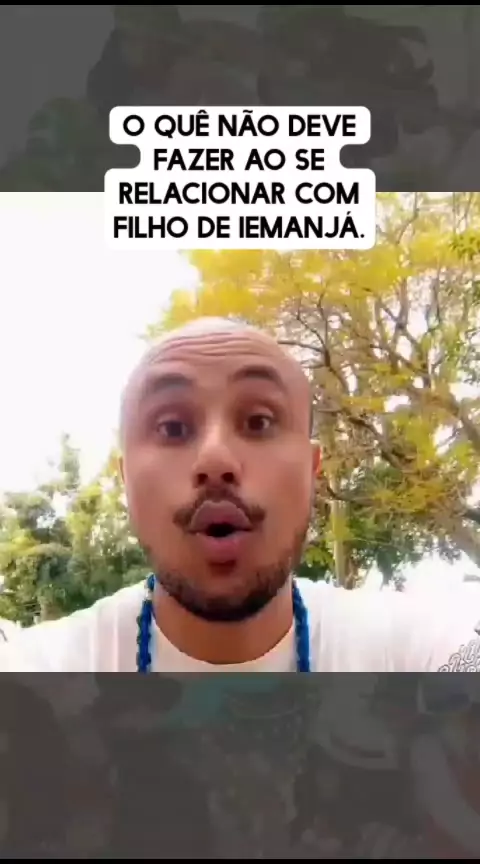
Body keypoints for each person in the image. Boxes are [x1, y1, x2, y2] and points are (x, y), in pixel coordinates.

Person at [2, 316, 480, 673]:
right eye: (172, 427)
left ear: (312, 470)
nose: (215, 459)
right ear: (126, 479)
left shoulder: (420, 655)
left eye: (258, 421)